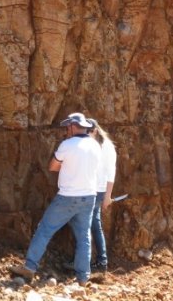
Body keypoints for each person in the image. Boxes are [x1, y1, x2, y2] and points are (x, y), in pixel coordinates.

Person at [10, 112, 102, 286]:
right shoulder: (95, 146)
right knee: (84, 237)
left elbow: (53, 166)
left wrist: (67, 164)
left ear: (73, 126)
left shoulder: (67, 145)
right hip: (89, 197)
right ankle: (83, 278)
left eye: (68, 127)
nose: (66, 130)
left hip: (68, 197)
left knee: (45, 229)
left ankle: (29, 268)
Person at [64, 117, 117, 276]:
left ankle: (84, 263)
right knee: (94, 225)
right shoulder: (94, 145)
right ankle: (100, 262)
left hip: (96, 191)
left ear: (94, 130)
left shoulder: (105, 146)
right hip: (92, 190)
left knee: (82, 224)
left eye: (88, 131)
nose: (85, 134)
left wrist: (108, 196)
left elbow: (111, 172)